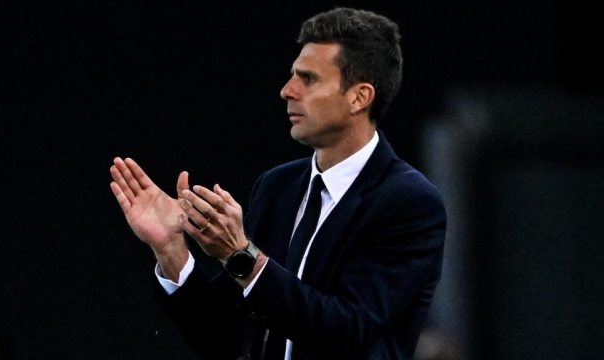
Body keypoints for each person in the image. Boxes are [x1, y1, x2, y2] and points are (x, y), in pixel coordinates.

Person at [110, 7, 446, 360]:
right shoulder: (277, 187)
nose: (287, 90)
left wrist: (240, 255)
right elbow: (224, 339)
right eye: (291, 76)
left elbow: (348, 331)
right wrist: (172, 251)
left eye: (309, 78)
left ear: (359, 97)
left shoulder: (408, 202)